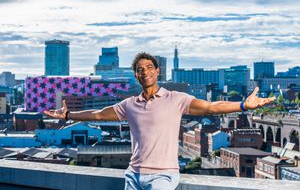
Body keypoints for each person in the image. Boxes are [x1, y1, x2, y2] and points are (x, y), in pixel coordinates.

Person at [44, 52, 275, 190]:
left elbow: (211, 107)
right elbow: (98, 115)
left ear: (157, 72)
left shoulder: (176, 99)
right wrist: (67, 115)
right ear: (136, 75)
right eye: (139, 69)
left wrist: (244, 105)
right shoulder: (129, 105)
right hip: (133, 175)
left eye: (149, 68)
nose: (144, 72)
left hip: (163, 175)